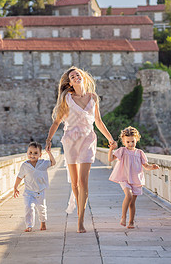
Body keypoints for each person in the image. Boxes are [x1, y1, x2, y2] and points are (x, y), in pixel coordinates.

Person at [45, 66, 116, 233]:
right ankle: (79, 210)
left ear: (83, 77)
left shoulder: (93, 98)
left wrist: (110, 139)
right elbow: (56, 122)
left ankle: (81, 219)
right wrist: (48, 140)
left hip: (88, 140)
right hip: (70, 141)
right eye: (72, 76)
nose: (76, 76)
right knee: (75, 183)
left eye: (78, 74)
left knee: (84, 182)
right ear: (69, 82)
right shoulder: (67, 99)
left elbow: (98, 121)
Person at [108, 126, 160, 229]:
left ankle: (131, 222)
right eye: (128, 142)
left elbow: (146, 166)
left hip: (136, 179)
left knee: (132, 203)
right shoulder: (122, 151)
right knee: (128, 195)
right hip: (124, 178)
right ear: (123, 141)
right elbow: (110, 159)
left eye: (132, 141)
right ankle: (123, 217)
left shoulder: (140, 153)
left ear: (136, 139)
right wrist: (111, 149)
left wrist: (152, 167)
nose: (130, 144)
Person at [13, 142, 56, 232]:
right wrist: (15, 187)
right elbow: (19, 177)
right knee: (28, 207)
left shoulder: (43, 163)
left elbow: (53, 162)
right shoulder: (25, 165)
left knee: (41, 208)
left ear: (40, 155)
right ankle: (29, 225)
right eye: (30, 153)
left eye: (35, 153)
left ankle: (43, 222)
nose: (32, 155)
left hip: (40, 191)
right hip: (28, 192)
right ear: (27, 153)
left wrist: (49, 153)